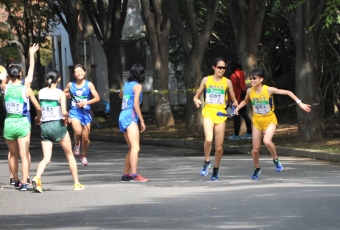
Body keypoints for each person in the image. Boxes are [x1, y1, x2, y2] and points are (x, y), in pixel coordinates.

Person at [234, 68, 312, 180]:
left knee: (266, 141)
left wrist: (300, 103)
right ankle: (257, 169)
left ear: (261, 79)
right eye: (250, 78)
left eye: (254, 78)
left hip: (270, 119)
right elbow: (245, 101)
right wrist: (237, 108)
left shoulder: (268, 90)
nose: (252, 80)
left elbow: (288, 92)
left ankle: (275, 159)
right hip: (257, 121)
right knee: (255, 149)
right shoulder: (249, 91)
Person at [32, 70, 84, 192]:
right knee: (69, 155)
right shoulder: (60, 93)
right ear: (59, 79)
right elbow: (64, 111)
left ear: (46, 79)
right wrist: (67, 119)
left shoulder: (41, 92)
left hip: (45, 126)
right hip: (58, 124)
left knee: (46, 158)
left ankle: (37, 177)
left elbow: (40, 109)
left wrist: (38, 119)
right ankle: (76, 183)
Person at [193, 57, 238, 181]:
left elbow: (234, 100)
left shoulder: (227, 82)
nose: (222, 70)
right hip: (208, 112)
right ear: (214, 67)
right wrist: (196, 100)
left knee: (219, 147)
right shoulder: (206, 80)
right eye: (219, 67)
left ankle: (216, 169)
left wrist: (232, 111)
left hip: (221, 115)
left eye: (224, 68)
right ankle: (207, 161)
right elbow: (196, 96)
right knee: (208, 139)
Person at [2, 65, 41, 191]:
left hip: (9, 123)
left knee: (13, 154)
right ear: (20, 74)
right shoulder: (26, 90)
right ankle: (25, 182)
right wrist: (38, 118)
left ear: (9, 76)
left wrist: (7, 77)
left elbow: (3, 82)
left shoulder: (5, 87)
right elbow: (38, 107)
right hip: (23, 123)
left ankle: (16, 180)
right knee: (24, 155)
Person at [63, 64, 100, 166]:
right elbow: (62, 93)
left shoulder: (89, 85)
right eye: (76, 72)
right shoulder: (71, 85)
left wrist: (85, 103)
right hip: (75, 112)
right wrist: (66, 94)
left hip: (86, 113)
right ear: (74, 75)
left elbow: (97, 98)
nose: (79, 73)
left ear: (84, 72)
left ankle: (83, 156)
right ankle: (76, 143)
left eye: (80, 71)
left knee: (86, 138)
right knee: (78, 132)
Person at [119, 63, 148, 182]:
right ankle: (134, 174)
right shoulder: (137, 86)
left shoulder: (126, 84)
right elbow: (136, 104)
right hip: (130, 115)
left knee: (131, 148)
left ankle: (126, 174)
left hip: (122, 115)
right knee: (136, 147)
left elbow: (120, 95)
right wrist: (142, 120)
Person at [228, 60, 252, 140]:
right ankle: (249, 133)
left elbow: (233, 89)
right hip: (242, 98)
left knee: (236, 117)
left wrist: (231, 100)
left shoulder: (233, 75)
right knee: (245, 116)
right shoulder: (241, 73)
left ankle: (236, 135)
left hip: (235, 99)